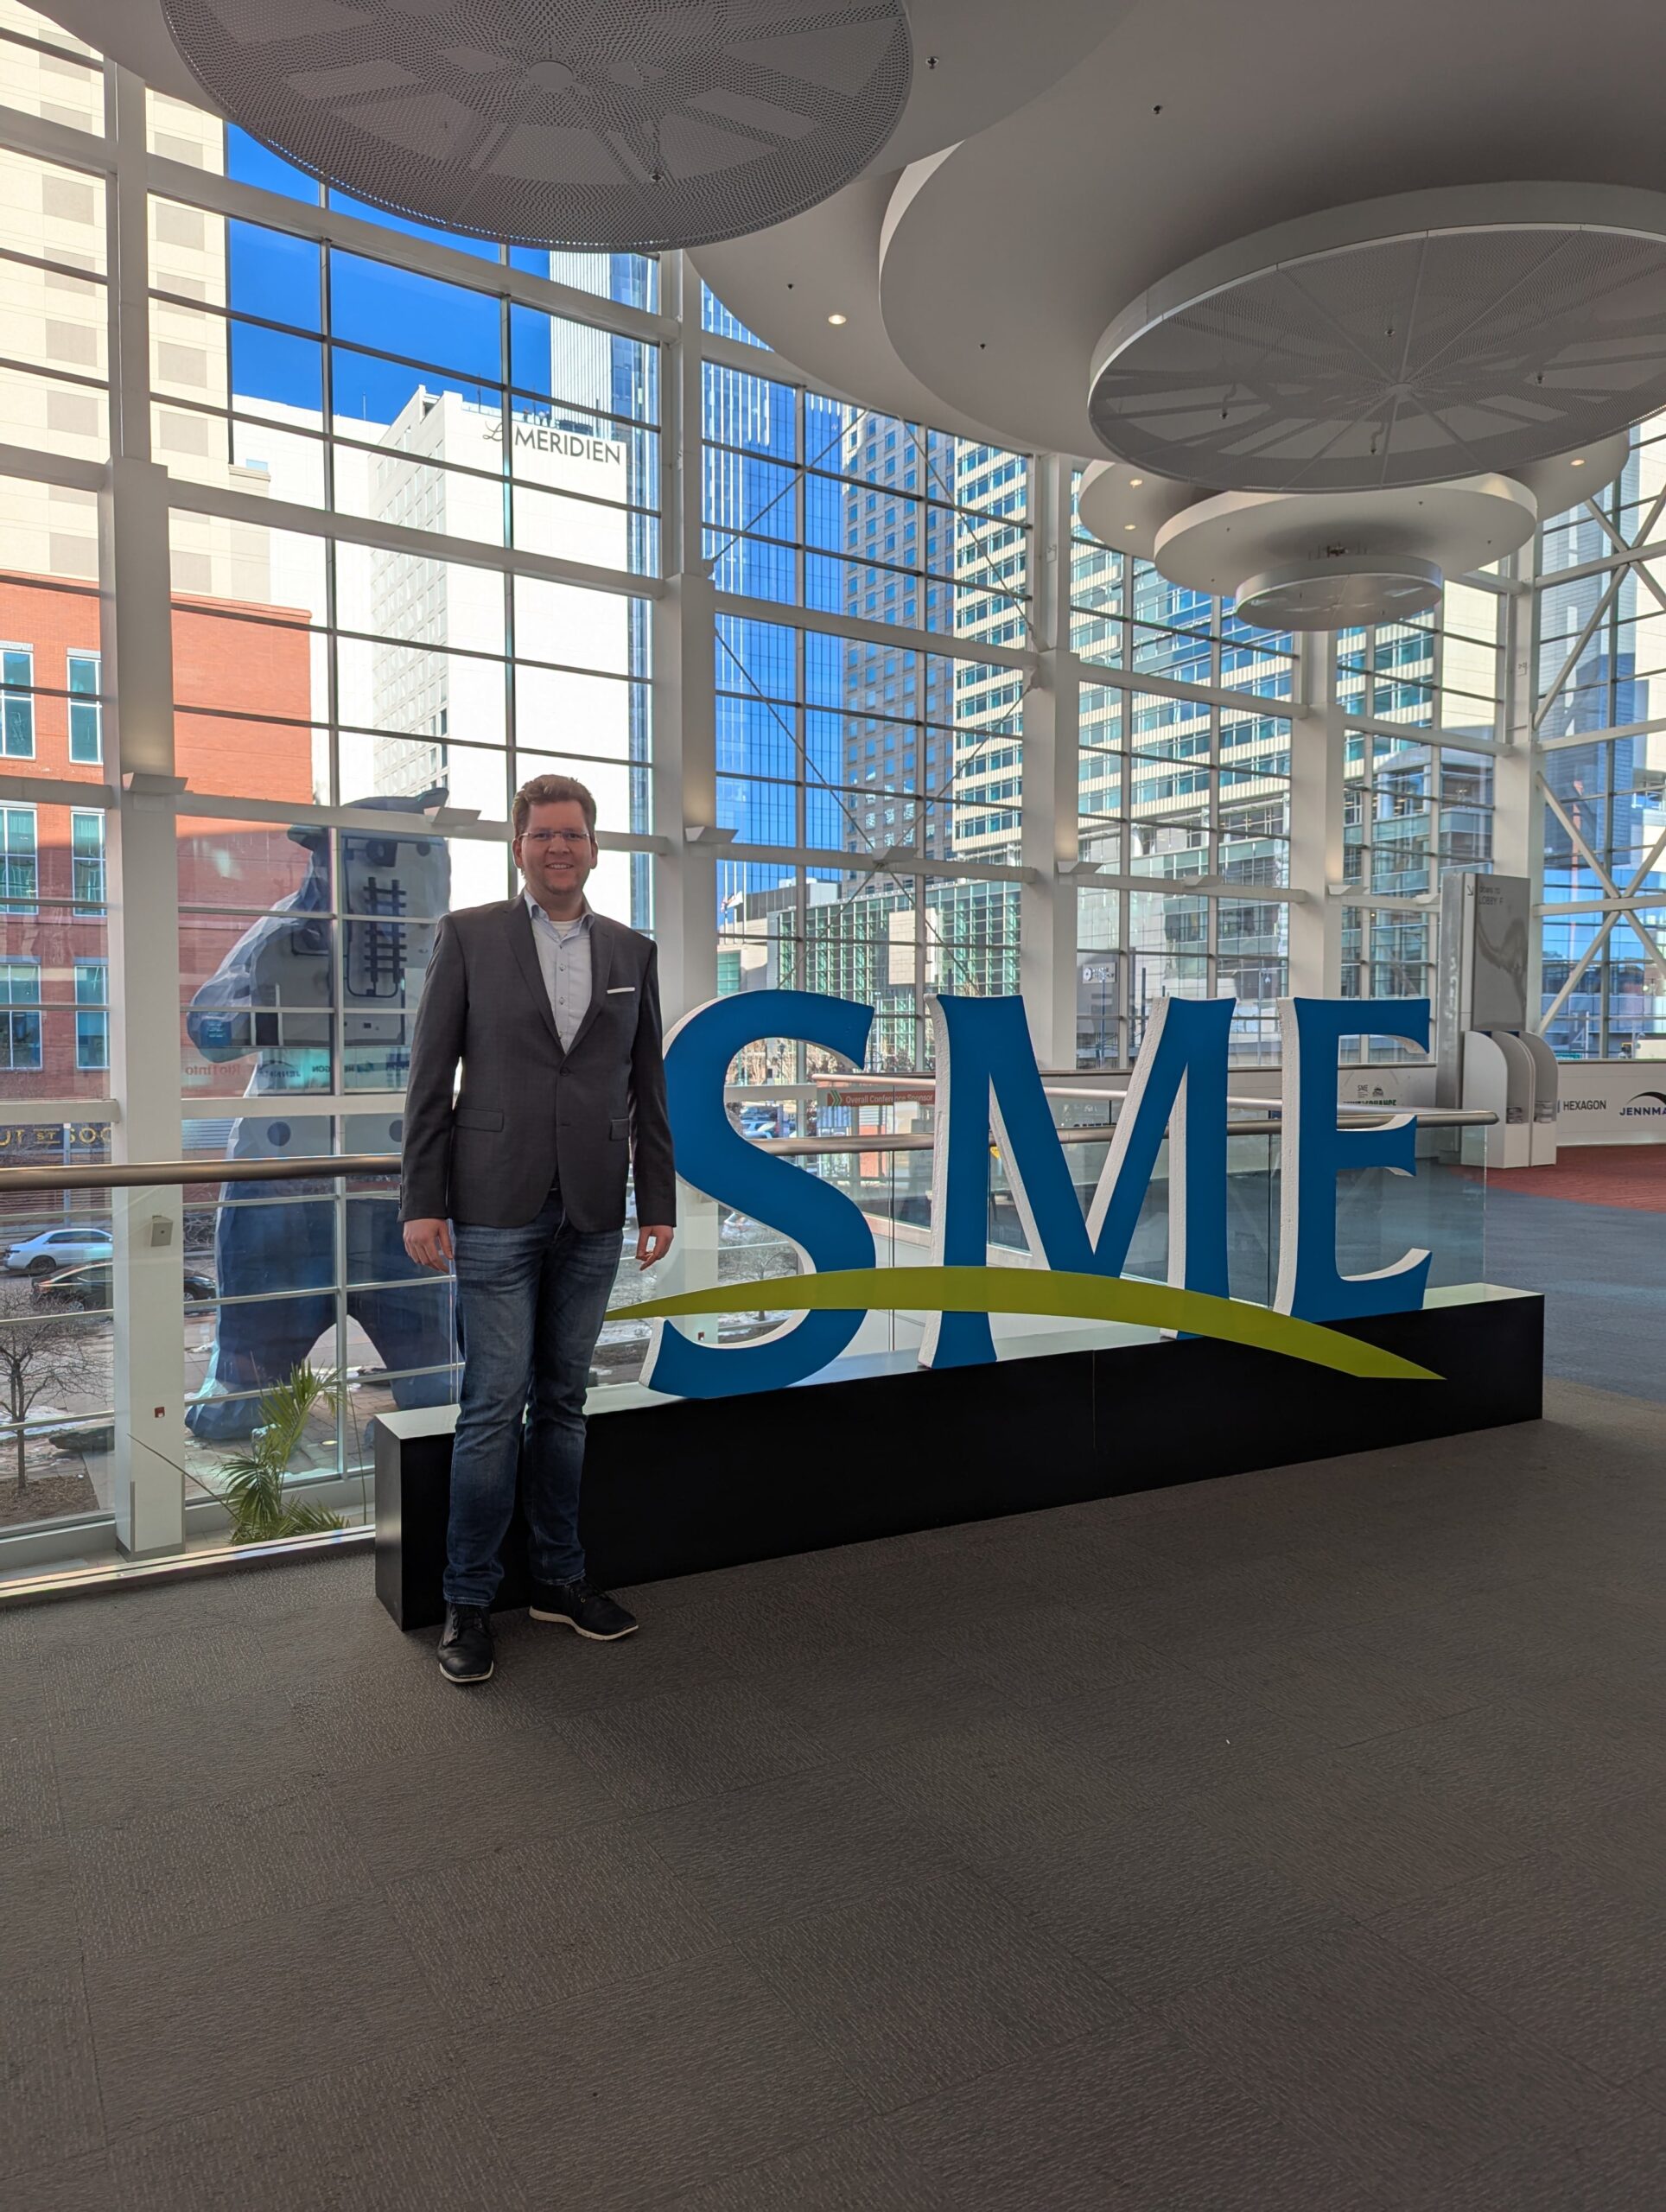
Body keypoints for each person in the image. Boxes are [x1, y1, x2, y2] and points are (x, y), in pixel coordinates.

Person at [400, 773, 676, 1686]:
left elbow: (647, 1086)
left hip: (593, 1206)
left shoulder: (631, 950)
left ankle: (559, 1578)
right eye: (543, 834)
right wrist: (421, 1200)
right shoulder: (469, 936)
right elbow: (430, 1078)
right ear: (519, 847)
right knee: (492, 1405)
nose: (560, 847)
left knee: (564, 1402)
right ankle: (468, 1601)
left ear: (593, 848)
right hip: (490, 1205)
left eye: (574, 834)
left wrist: (658, 1200)